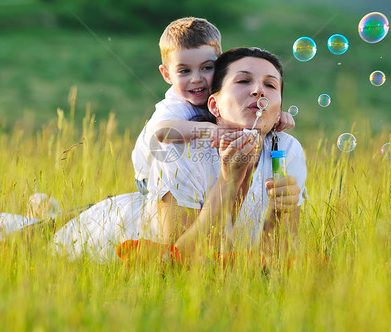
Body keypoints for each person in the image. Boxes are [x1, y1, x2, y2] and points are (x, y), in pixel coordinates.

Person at [52, 47, 307, 262]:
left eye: (270, 85)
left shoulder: (285, 151)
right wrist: (228, 182)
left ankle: (46, 209)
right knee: (29, 233)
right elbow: (177, 261)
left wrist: (278, 213)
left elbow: (276, 262)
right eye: (243, 81)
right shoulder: (179, 149)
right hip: (102, 240)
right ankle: (45, 212)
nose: (258, 91)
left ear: (279, 111)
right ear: (214, 105)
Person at [131, 17, 294, 195]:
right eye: (184, 71)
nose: (196, 79)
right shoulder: (175, 105)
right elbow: (161, 132)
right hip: (149, 179)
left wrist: (274, 114)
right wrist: (209, 129)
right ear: (167, 74)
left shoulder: (217, 94)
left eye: (206, 68)